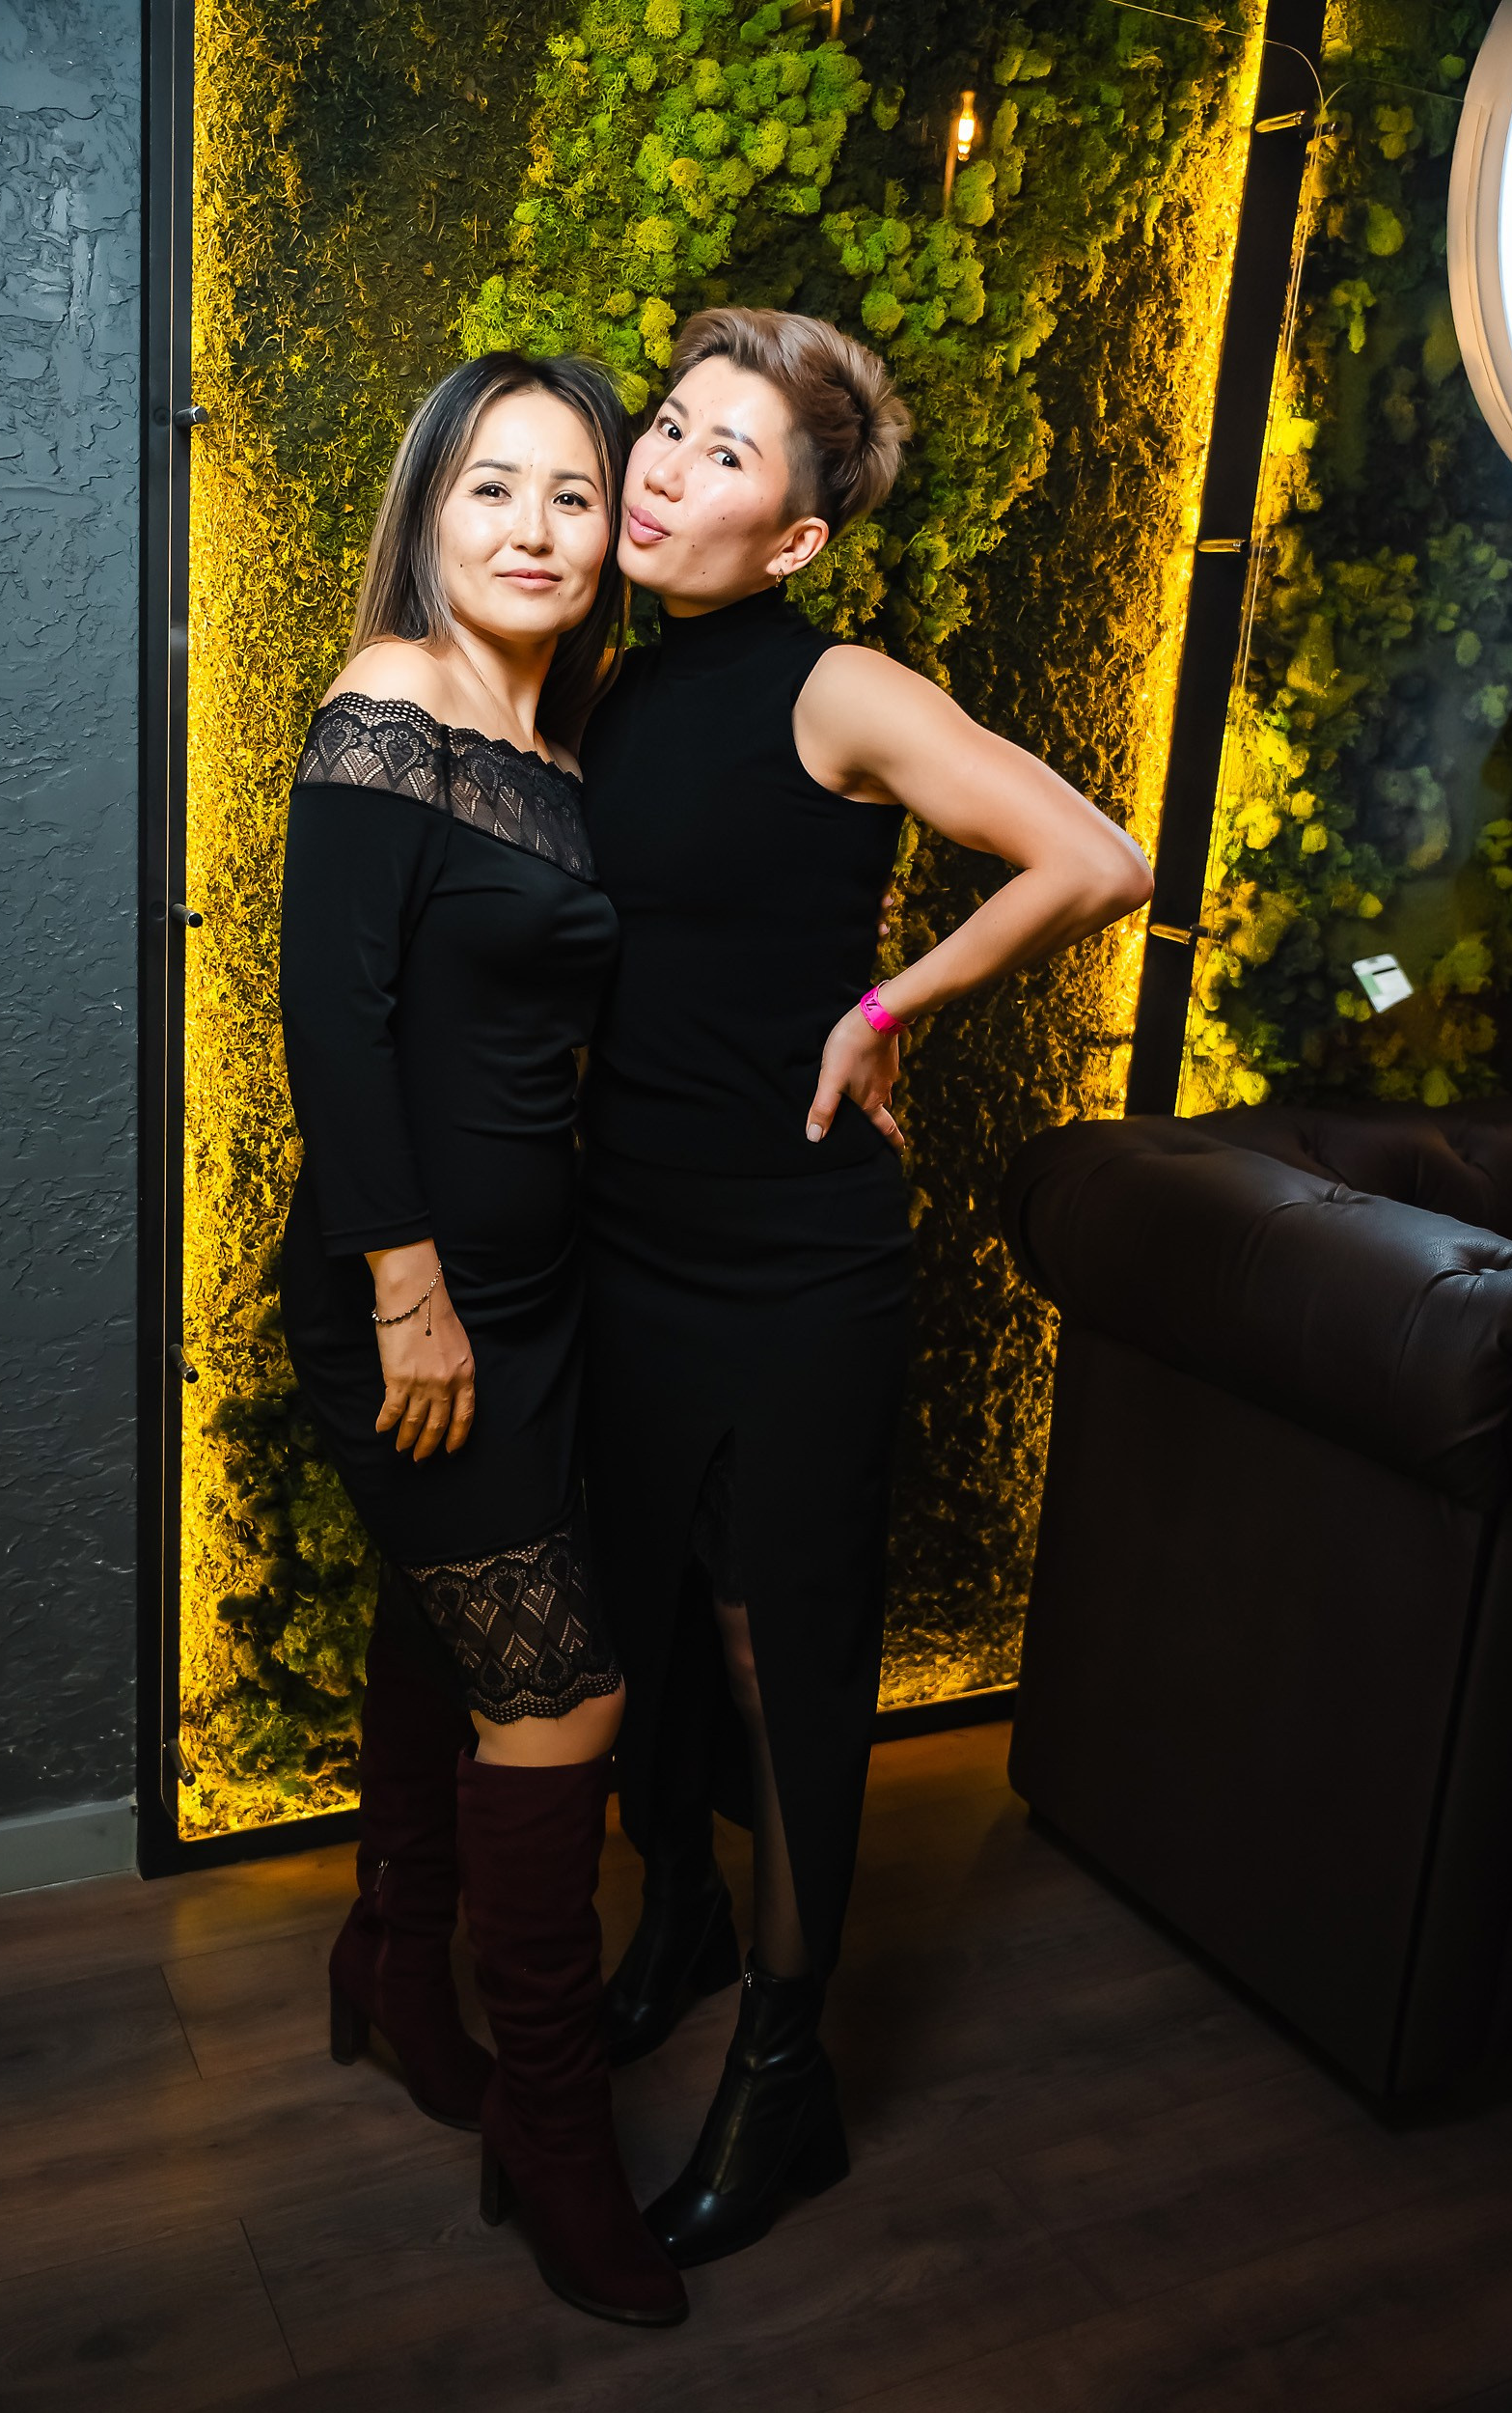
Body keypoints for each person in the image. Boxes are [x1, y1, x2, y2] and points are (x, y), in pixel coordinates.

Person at [578, 305, 1154, 2267]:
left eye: (726, 453)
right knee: (649, 1622)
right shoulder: (614, 681)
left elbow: (1095, 857)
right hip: (628, 1240)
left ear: (801, 536)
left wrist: (889, 1008)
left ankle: (787, 2064)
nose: (667, 467)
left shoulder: (838, 688)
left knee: (778, 1654)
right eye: (669, 424)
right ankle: (678, 1915)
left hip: (793, 1262)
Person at [276, 350, 686, 2327]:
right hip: (408, 1300)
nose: (535, 529)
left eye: (573, 495)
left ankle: (390, 1955)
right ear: (428, 509)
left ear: (613, 538)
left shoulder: (567, 744)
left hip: (542, 1297)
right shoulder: (392, 702)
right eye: (493, 488)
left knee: (441, 1628)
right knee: (563, 1696)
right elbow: (330, 1022)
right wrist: (407, 1292)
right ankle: (554, 2122)